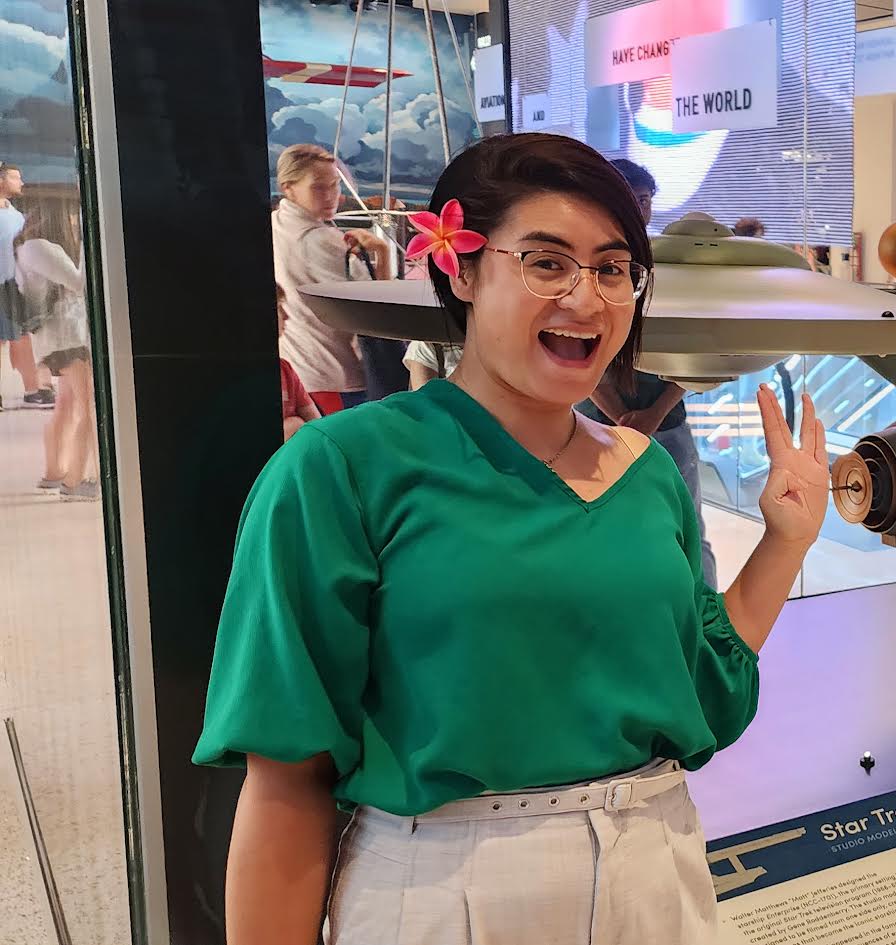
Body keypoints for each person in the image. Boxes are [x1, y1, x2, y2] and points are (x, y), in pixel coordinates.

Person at [193, 133, 832, 943]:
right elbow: (288, 777)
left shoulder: (643, 471)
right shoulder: (342, 468)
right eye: (545, 261)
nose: (587, 298)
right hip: (446, 890)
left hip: (657, 874)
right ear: (459, 268)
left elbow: (703, 686)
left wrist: (786, 541)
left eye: (611, 268)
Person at [598, 157, 719, 589]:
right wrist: (620, 416)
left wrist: (652, 415)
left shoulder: (669, 266)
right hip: (595, 425)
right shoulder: (596, 266)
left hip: (666, 424)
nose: (640, 209)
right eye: (631, 198)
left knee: (687, 529)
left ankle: (705, 632)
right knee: (602, 528)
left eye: (646, 199)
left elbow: (699, 350)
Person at [273, 143, 393, 415]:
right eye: (318, 187)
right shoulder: (321, 239)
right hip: (338, 377)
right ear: (288, 188)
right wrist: (383, 255)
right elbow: (379, 310)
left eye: (335, 185)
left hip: (298, 370)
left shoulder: (272, 225)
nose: (332, 196)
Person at [15, 213, 97, 498]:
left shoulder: (25, 249)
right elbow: (78, 283)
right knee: (89, 409)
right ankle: (76, 481)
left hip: (54, 338)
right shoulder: (42, 248)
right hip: (68, 337)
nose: (74, 221)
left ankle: (54, 472)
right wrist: (93, 246)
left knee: (65, 405)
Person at [0, 162, 55, 410]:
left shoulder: (17, 216)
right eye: (15, 177)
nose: (20, 182)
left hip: (15, 284)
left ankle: (33, 389)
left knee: (21, 337)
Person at [274, 283, 321, 441]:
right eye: (279, 307)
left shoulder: (285, 370)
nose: (287, 316)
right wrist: (294, 425)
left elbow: (318, 427)